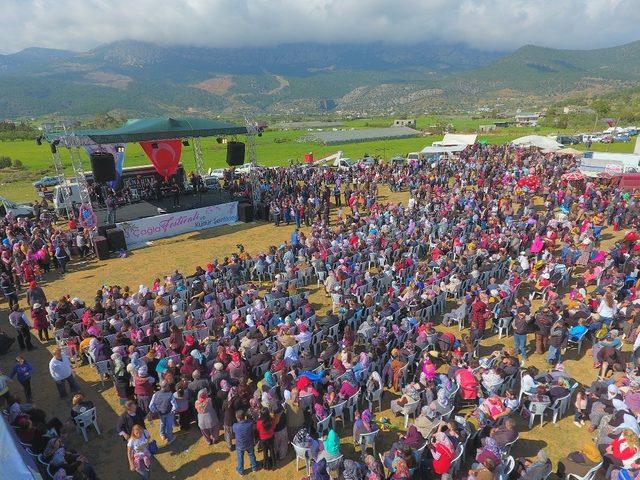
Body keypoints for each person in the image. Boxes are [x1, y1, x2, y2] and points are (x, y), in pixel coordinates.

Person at [149, 380, 177, 445]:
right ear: (166, 387)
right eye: (168, 385)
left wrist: (155, 411)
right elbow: (175, 406)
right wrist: (172, 411)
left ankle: (162, 434)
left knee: (162, 423)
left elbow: (151, 406)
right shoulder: (170, 394)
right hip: (168, 413)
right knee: (169, 426)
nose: (169, 386)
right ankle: (170, 438)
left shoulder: (155, 394)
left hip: (160, 413)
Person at [232, 410, 258, 475]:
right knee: (251, 455)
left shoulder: (235, 426)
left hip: (240, 445)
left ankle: (240, 471)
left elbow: (233, 432)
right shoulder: (250, 423)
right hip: (249, 443)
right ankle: (254, 468)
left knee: (240, 457)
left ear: (237, 418)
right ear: (245, 416)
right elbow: (253, 425)